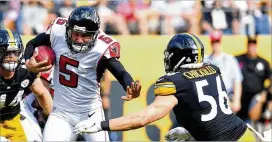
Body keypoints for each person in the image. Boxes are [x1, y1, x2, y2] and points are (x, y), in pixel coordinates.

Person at [72, 33, 257, 141]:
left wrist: (101, 125)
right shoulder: (212, 70)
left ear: (179, 57)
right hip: (246, 134)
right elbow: (214, 115)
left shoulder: (177, 82)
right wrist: (190, 133)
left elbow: (143, 117)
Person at [24, 6, 141, 141]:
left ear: (95, 34)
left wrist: (130, 85)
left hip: (90, 114)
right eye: (76, 34)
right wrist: (28, 62)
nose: (79, 39)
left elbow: (120, 71)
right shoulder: (58, 31)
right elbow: (32, 43)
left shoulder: (102, 47)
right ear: (68, 29)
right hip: (61, 113)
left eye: (85, 35)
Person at [0, 28, 53, 141]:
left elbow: (42, 93)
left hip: (13, 120)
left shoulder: (25, 71)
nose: (11, 57)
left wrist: (53, 118)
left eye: (15, 52)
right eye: (6, 53)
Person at [205, 30, 243, 113]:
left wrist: (237, 100)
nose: (215, 44)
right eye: (213, 42)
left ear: (220, 42)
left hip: (227, 97)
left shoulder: (230, 59)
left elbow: (237, 81)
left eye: (217, 41)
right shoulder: (205, 60)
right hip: (210, 98)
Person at [236, 37, 271, 122]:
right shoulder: (238, 59)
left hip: (257, 97)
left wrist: (265, 93)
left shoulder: (263, 62)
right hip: (241, 97)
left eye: (253, 45)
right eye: (250, 45)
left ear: (256, 46)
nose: (252, 48)